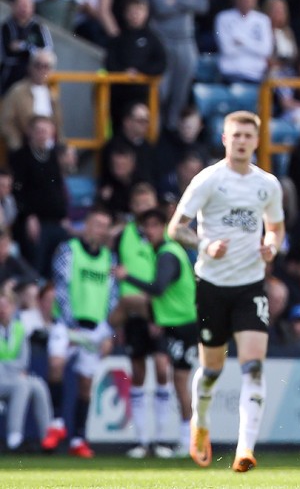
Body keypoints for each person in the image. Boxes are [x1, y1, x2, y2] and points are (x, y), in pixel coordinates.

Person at [167, 111, 284, 472]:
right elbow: (176, 229)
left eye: (248, 136)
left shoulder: (268, 185)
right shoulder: (208, 180)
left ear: (257, 140)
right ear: (224, 139)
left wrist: (271, 246)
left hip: (250, 285)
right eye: (236, 135)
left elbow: (276, 228)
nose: (242, 141)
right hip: (212, 286)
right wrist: (205, 245)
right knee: (212, 370)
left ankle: (244, 449)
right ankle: (199, 422)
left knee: (253, 367)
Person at [114, 207, 198, 457]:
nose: (149, 231)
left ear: (163, 227)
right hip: (168, 323)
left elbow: (159, 289)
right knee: (170, 377)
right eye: (145, 227)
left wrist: (127, 277)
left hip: (184, 325)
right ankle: (169, 440)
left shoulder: (167, 254)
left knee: (180, 382)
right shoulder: (163, 252)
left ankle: (188, 440)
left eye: (154, 226)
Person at [42, 207, 117, 458]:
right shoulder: (69, 250)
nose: (100, 230)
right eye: (96, 224)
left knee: (86, 385)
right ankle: (56, 424)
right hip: (67, 324)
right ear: (86, 225)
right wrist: (70, 323)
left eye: (105, 226)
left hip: (95, 328)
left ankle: (78, 439)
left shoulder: (110, 258)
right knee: (55, 364)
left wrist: (108, 331)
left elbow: (112, 297)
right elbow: (61, 286)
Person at [110, 184, 173, 458]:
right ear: (133, 207)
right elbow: (114, 269)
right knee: (137, 373)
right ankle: (141, 440)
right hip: (133, 313)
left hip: (158, 311)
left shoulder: (166, 238)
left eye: (148, 201)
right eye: (139, 202)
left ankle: (160, 439)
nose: (143, 206)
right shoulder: (123, 235)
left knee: (161, 368)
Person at [145, 0, 208, 131]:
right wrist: (186, 0)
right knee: (161, 92)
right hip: (162, 40)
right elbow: (161, 7)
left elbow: (203, 4)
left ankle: (173, 132)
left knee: (181, 92)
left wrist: (176, 0)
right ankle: (155, 132)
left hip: (186, 40)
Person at [9, 116, 70, 278]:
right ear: (30, 132)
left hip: (55, 220)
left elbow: (58, 187)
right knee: (36, 267)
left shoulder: (52, 156)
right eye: (39, 130)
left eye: (46, 131)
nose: (42, 134)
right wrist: (29, 216)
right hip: (34, 222)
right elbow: (17, 191)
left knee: (59, 267)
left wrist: (63, 216)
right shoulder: (20, 157)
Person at [0, 292, 57, 452]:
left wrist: (7, 367)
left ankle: (47, 438)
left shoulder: (19, 329)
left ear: (12, 307)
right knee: (22, 384)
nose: (2, 310)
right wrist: (12, 369)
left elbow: (23, 361)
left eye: (5, 305)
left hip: (14, 377)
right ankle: (14, 438)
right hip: (6, 379)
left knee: (38, 385)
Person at [104, 0, 167, 129]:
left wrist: (139, 71)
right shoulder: (118, 39)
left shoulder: (153, 39)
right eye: (132, 11)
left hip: (143, 94)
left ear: (146, 13)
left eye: (139, 10)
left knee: (144, 126)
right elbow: (109, 63)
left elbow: (161, 64)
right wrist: (123, 72)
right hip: (119, 95)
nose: (135, 15)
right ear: (125, 13)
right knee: (118, 127)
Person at [1, 49, 63, 153]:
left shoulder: (53, 95)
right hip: (25, 147)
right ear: (30, 67)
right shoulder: (17, 91)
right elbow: (5, 122)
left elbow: (58, 125)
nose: (42, 70)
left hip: (50, 148)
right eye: (38, 65)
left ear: (51, 70)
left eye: (46, 66)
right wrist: (17, 144)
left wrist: (62, 146)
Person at [215, 0, 273, 84]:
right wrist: (255, 46)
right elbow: (227, 49)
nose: (247, 0)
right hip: (231, 74)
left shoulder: (263, 20)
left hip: (257, 74)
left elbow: (266, 50)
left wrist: (241, 41)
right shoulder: (223, 18)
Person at [0, 0, 53, 95]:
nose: (23, 9)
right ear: (13, 6)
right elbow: (7, 56)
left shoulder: (39, 27)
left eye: (26, 5)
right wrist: (32, 50)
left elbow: (47, 50)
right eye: (20, 5)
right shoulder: (5, 27)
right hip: (10, 77)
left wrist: (22, 46)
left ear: (32, 8)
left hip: (33, 74)